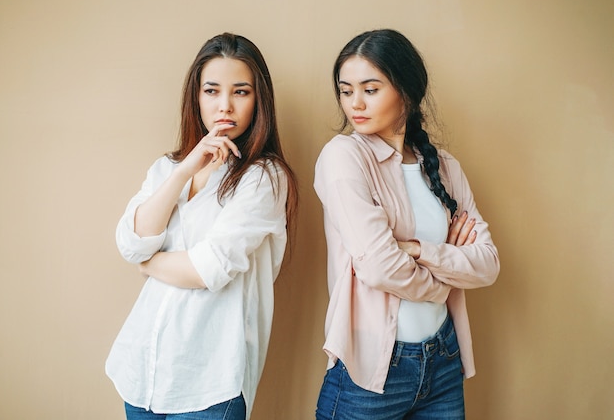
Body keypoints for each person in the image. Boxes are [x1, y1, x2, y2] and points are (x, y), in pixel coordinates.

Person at [106, 32, 298, 420]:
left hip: (210, 384)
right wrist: (184, 171)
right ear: (196, 96)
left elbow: (207, 269)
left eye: (240, 92)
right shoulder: (167, 167)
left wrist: (148, 264)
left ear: (259, 100)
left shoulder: (264, 177)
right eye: (212, 91)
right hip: (141, 370)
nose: (224, 105)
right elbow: (131, 240)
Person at [313, 29, 500, 419]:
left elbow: (487, 264)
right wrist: (445, 277)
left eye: (370, 89)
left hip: (443, 360)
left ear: (407, 91)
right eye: (346, 91)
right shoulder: (343, 157)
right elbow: (379, 267)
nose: (355, 104)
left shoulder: (445, 167)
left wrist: (416, 250)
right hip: (372, 371)